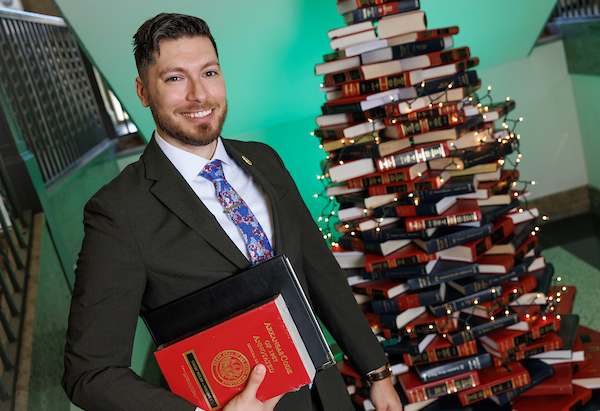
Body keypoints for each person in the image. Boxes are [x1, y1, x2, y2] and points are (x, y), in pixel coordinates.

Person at [62, 12, 403, 411]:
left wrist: (376, 371)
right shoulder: (118, 212)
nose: (198, 94)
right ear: (143, 92)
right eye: (175, 78)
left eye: (209, 72)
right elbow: (89, 374)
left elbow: (318, 269)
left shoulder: (264, 160)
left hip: (327, 398)